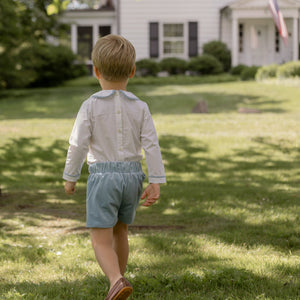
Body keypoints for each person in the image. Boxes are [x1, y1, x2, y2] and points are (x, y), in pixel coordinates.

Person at [63, 34, 166, 300]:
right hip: (133, 178)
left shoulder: (90, 106)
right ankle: (119, 285)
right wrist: (155, 181)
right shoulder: (140, 107)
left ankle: (115, 280)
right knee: (121, 231)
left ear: (95, 70)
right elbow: (151, 146)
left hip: (103, 178)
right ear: (132, 71)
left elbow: (78, 144)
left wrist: (70, 177)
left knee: (100, 238)